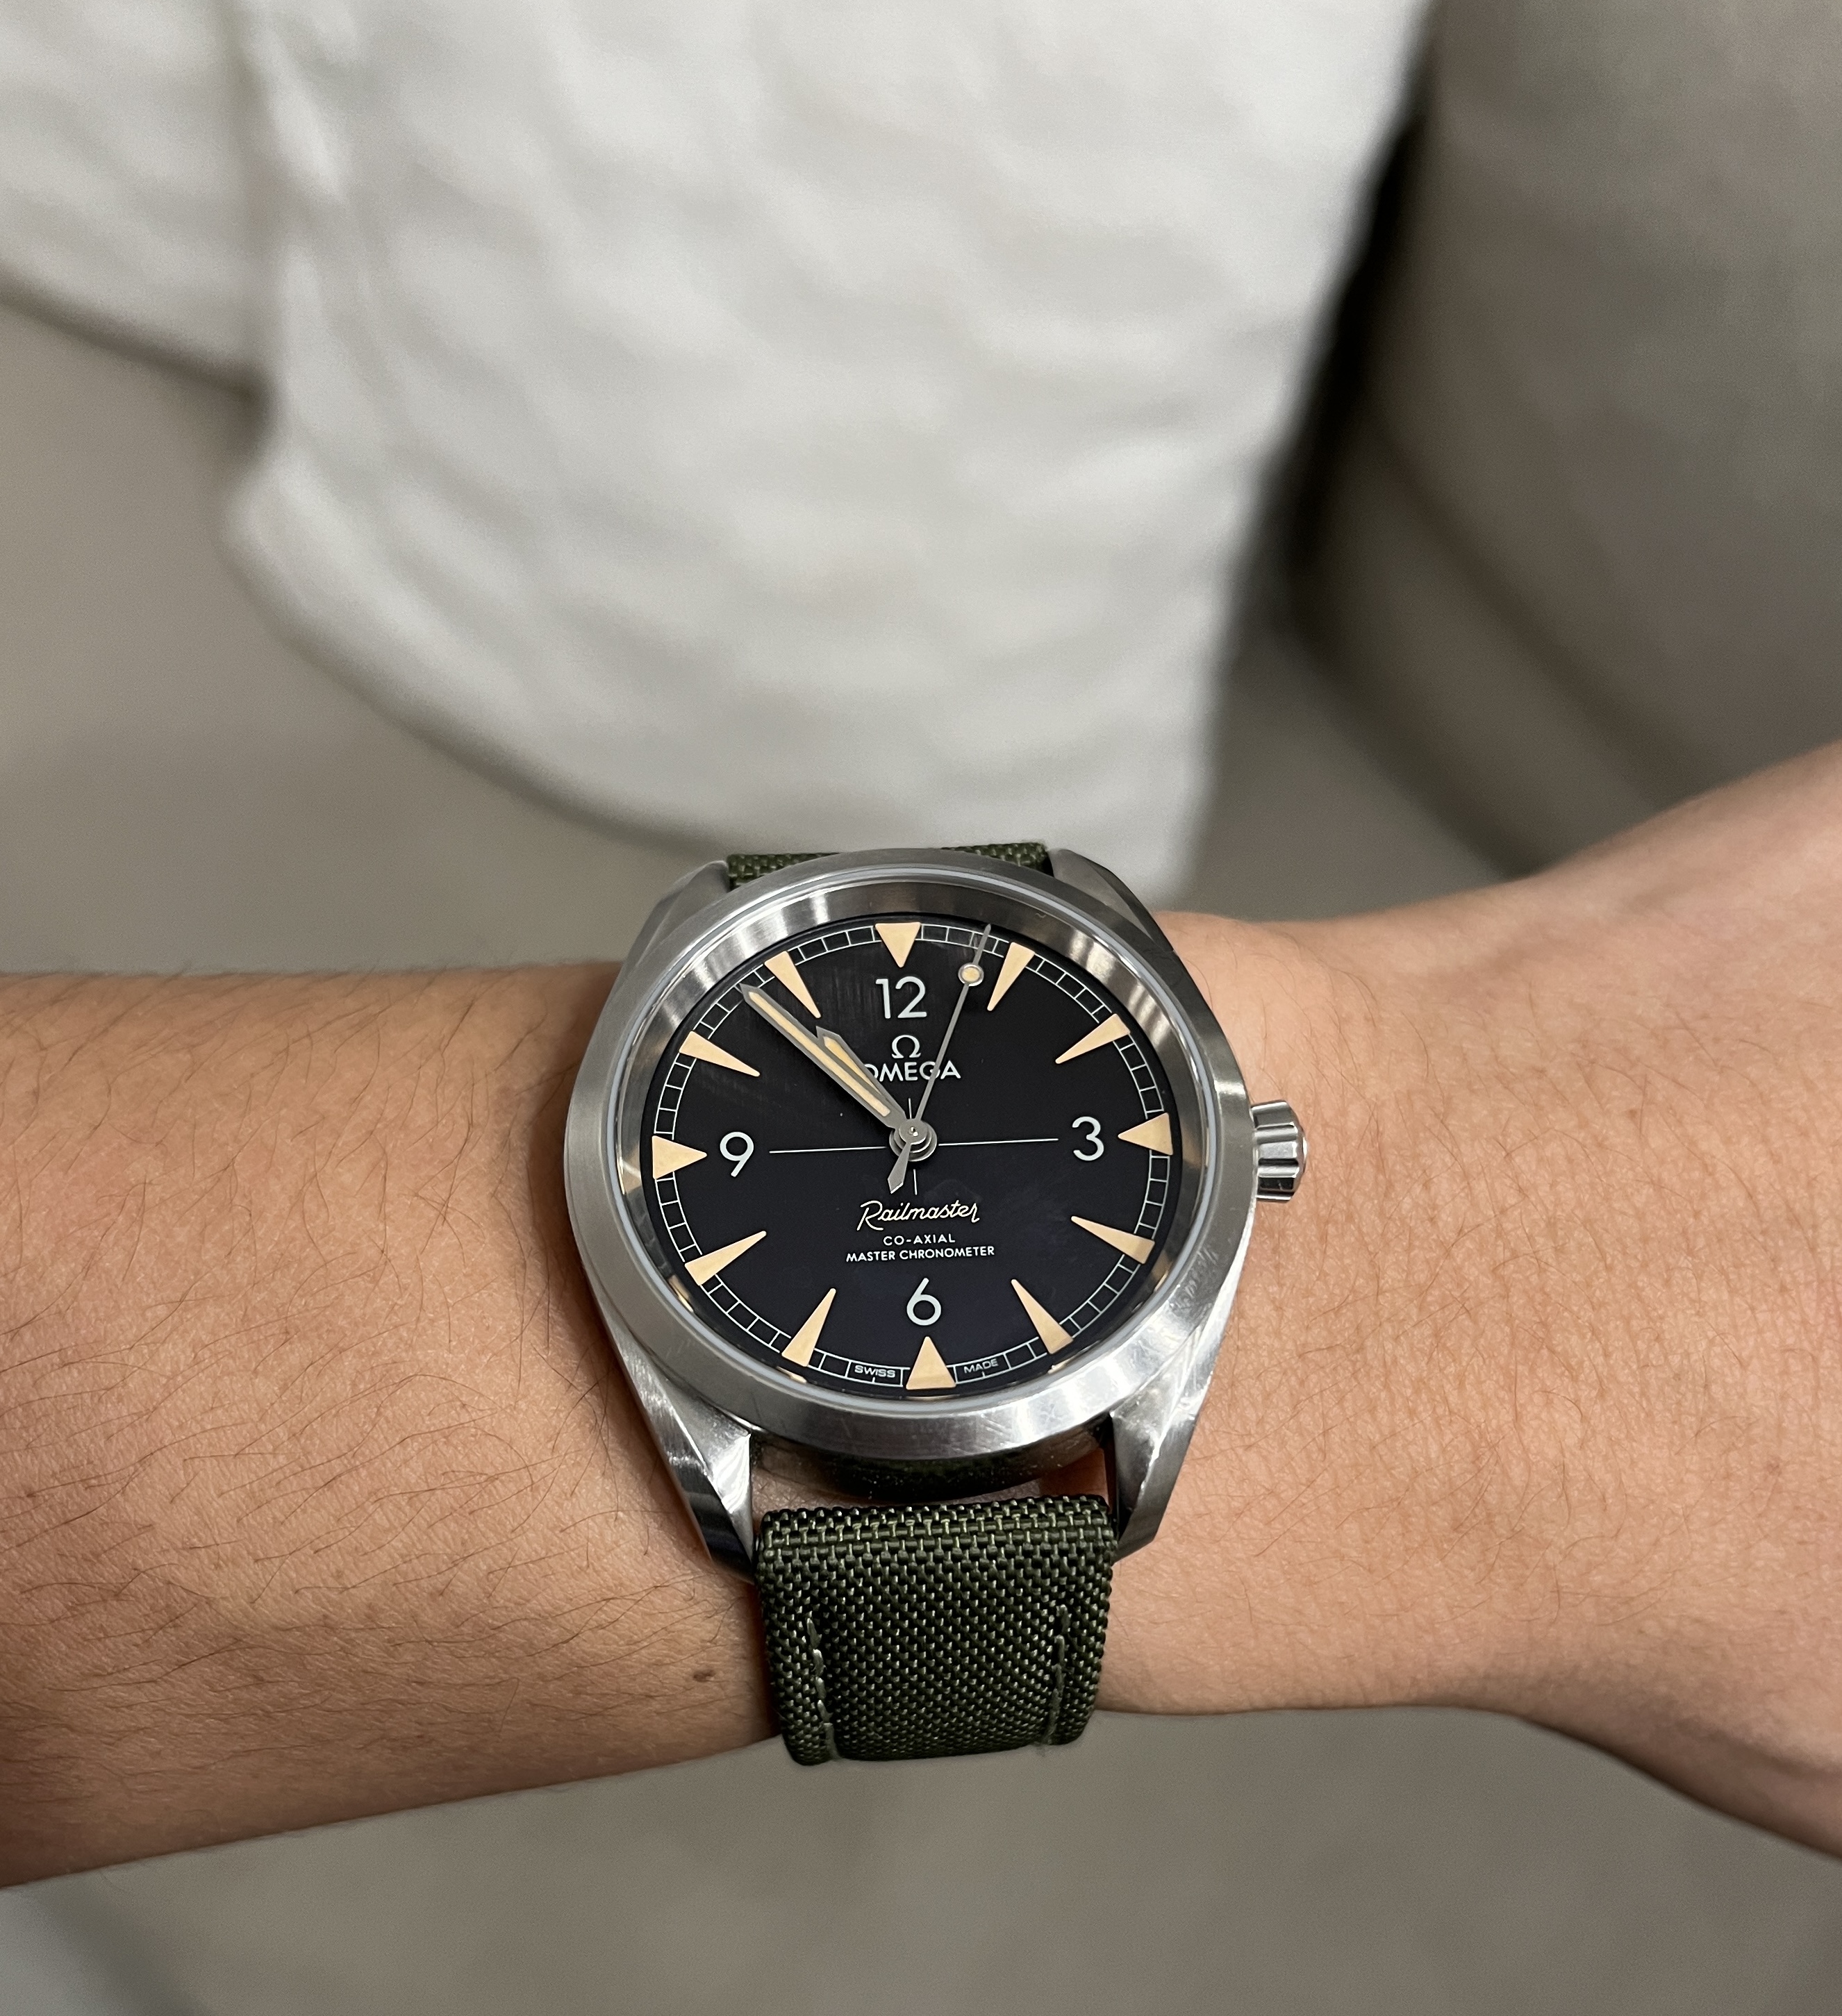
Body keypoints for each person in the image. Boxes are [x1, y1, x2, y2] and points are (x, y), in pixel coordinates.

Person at [1, 746, 1837, 1885]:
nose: (908, 1145)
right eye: (892, 1127)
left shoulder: (1147, 1335)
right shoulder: (682, 1103)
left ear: (1246, 1152)